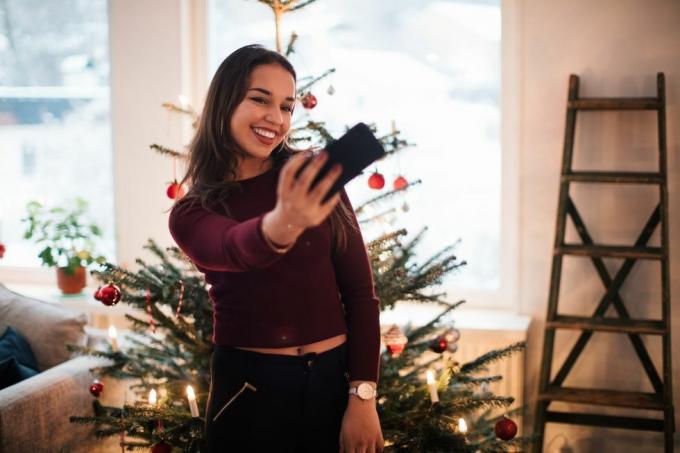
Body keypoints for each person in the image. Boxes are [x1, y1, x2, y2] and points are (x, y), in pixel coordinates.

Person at [168, 44, 384, 453]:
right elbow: (235, 248)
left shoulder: (312, 178)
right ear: (225, 102)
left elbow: (360, 294)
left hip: (334, 384)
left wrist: (363, 396)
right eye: (259, 100)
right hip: (249, 392)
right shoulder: (191, 212)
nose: (276, 118)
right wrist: (285, 220)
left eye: (287, 106)